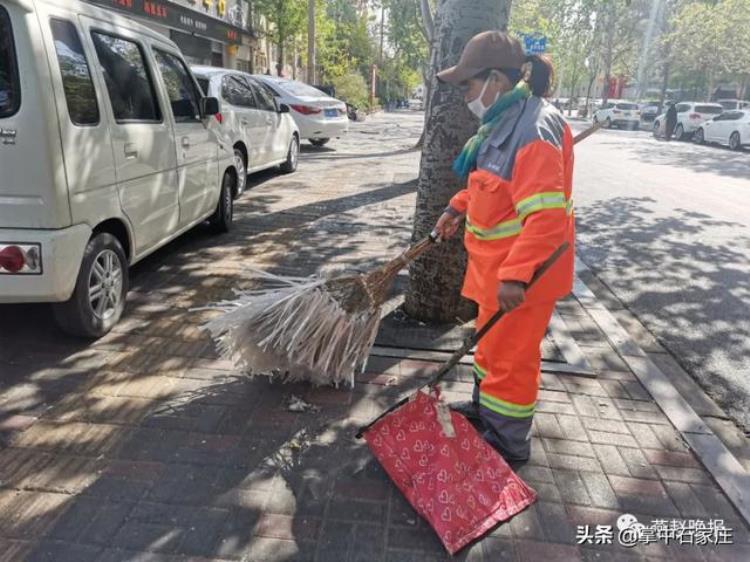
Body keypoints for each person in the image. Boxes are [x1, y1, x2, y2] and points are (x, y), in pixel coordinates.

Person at [433, 30, 575, 464]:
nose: (465, 95)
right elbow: (493, 185)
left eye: (468, 84)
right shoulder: (501, 123)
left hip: (521, 283)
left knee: (512, 363)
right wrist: (458, 207)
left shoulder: (532, 132)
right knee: (491, 350)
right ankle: (485, 413)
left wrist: (516, 276)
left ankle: (508, 443)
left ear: (495, 79)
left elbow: (546, 220)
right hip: (494, 275)